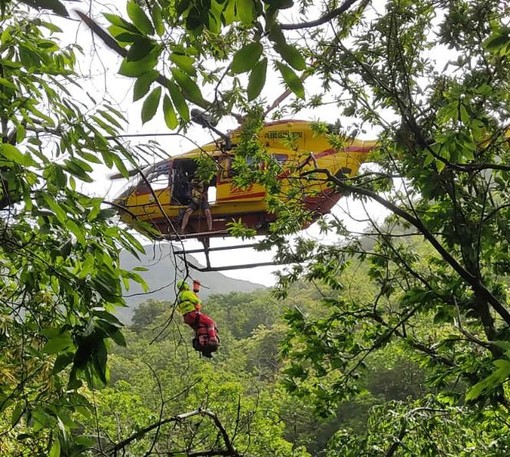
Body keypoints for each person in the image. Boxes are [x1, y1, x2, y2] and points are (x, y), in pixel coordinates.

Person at [176, 279, 219, 358]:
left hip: (187, 318)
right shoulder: (187, 293)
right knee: (210, 323)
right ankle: (212, 338)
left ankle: (205, 349)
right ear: (185, 285)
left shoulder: (180, 296)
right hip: (193, 314)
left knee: (201, 329)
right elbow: (197, 301)